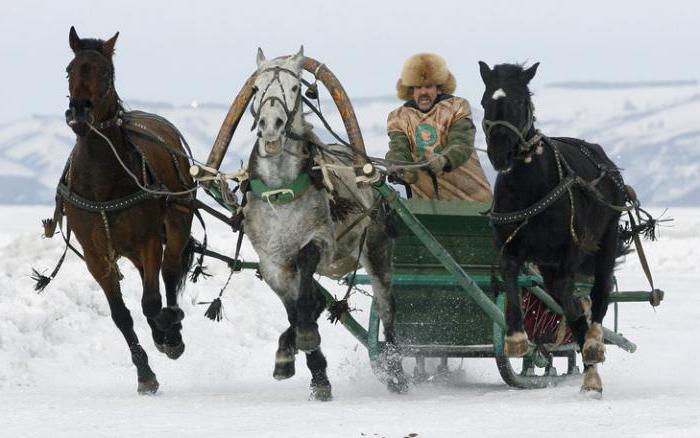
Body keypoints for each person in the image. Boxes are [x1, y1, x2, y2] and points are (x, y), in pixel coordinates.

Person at [386, 53, 492, 201]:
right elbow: (398, 149)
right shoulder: (398, 117)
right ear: (411, 91)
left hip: (472, 200)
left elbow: (461, 143)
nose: (423, 92)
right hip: (424, 206)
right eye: (418, 87)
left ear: (439, 88)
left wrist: (444, 160)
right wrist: (397, 167)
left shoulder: (458, 107)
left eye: (428, 86)